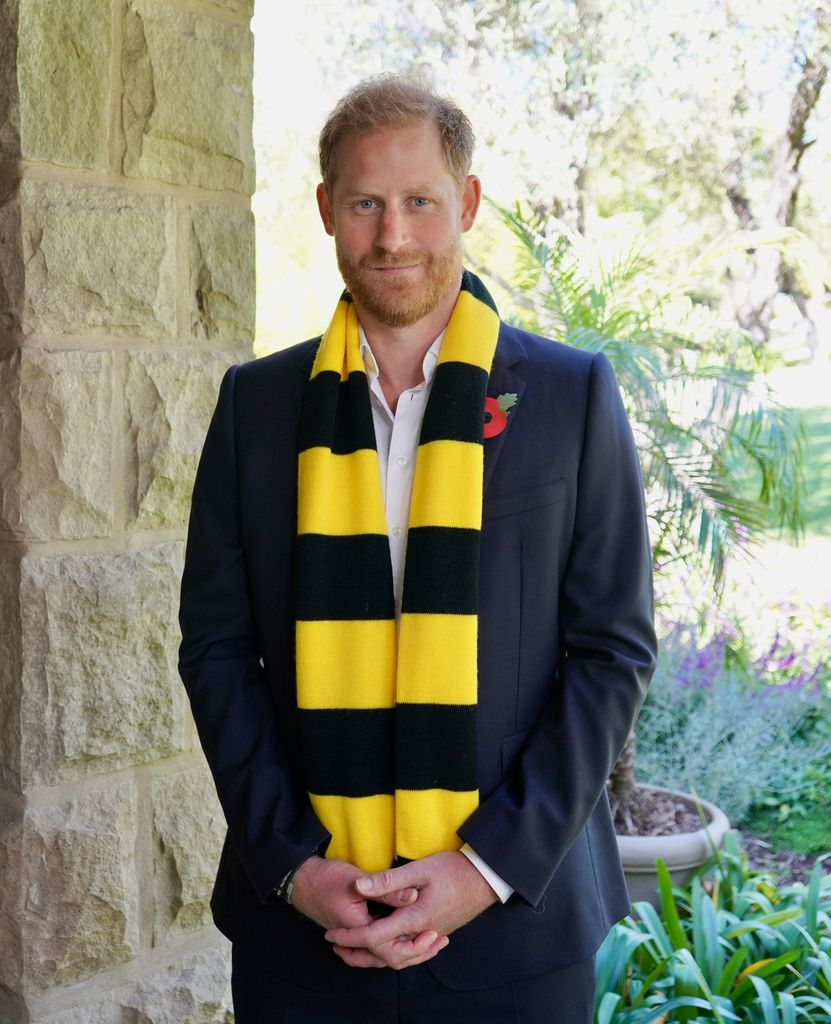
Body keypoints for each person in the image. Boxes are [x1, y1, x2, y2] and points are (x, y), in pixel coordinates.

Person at [178, 75, 656, 1023]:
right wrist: (293, 864)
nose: (392, 236)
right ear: (326, 211)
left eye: (418, 202)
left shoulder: (570, 397)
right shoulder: (256, 407)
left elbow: (611, 653)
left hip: (516, 926)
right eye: (365, 203)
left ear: (465, 203)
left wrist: (487, 868)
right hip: (305, 931)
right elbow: (218, 651)